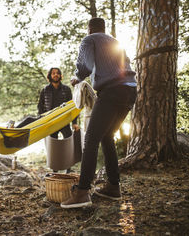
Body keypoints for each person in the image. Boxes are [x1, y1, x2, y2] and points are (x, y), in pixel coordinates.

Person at [60, 17, 137, 209]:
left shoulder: (89, 40)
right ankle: (113, 186)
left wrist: (76, 78)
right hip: (130, 91)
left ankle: (82, 191)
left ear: (90, 29)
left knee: (91, 139)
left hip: (111, 91)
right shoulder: (115, 42)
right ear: (104, 28)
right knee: (107, 136)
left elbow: (85, 65)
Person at [38, 67, 80, 139]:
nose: (56, 75)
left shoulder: (66, 89)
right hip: (51, 122)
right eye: (53, 73)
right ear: (50, 76)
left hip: (64, 121)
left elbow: (72, 106)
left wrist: (74, 123)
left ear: (60, 75)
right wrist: (42, 121)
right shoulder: (45, 90)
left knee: (69, 141)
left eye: (58, 73)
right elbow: (40, 106)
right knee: (52, 145)